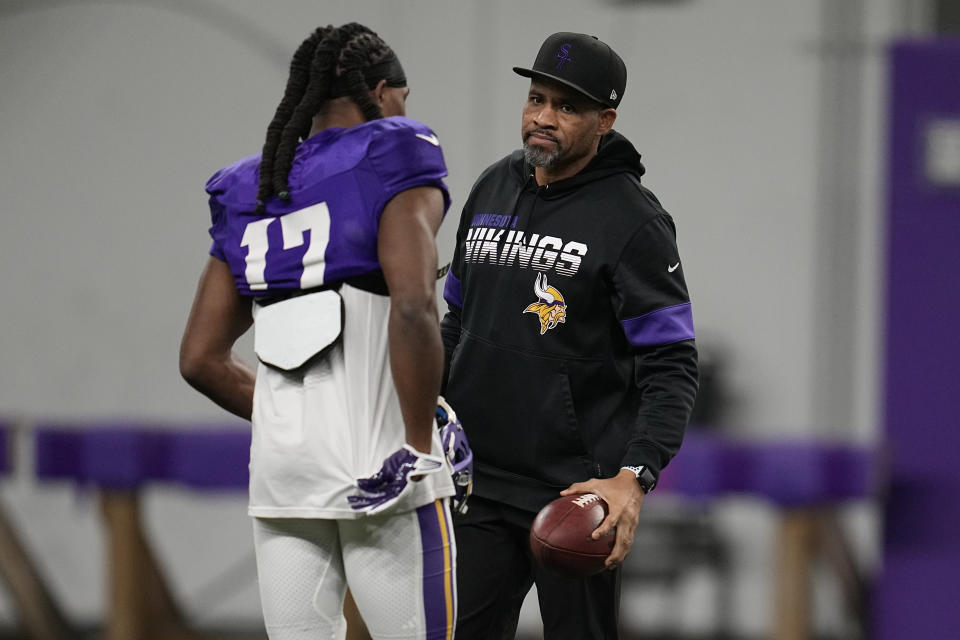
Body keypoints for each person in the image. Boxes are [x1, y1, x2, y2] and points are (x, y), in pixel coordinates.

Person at [179, 23, 471, 640]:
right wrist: (420, 443)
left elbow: (200, 358)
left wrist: (297, 421)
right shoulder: (394, 148)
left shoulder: (247, 187)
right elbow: (415, 305)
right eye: (403, 99)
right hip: (384, 472)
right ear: (382, 91)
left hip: (285, 477)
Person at [440, 32, 698, 639]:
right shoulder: (491, 188)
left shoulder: (634, 222)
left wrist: (632, 478)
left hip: (576, 494)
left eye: (566, 107)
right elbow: (455, 324)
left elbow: (672, 367)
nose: (542, 119)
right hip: (477, 480)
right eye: (536, 99)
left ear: (605, 120)